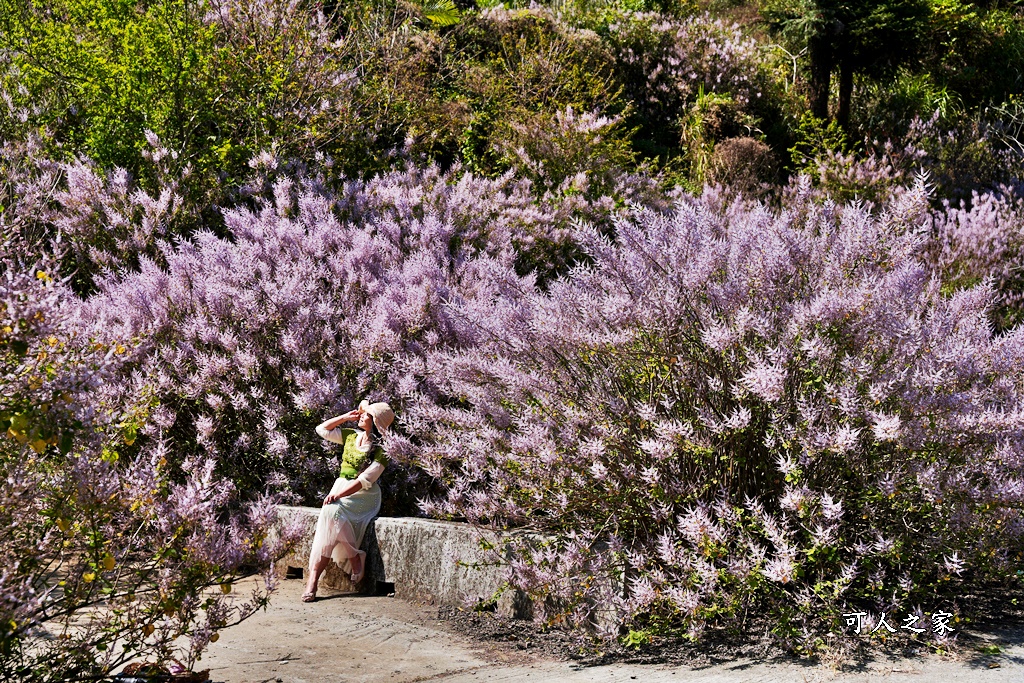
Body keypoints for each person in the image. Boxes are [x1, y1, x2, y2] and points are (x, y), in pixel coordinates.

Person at [302, 400, 394, 602]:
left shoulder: (382, 450)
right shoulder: (351, 436)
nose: (361, 415)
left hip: (364, 495)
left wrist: (339, 495)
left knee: (330, 511)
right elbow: (321, 429)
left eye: (366, 414)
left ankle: (314, 581)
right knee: (329, 515)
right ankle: (351, 558)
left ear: (376, 423)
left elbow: (365, 481)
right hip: (341, 487)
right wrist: (345, 417)